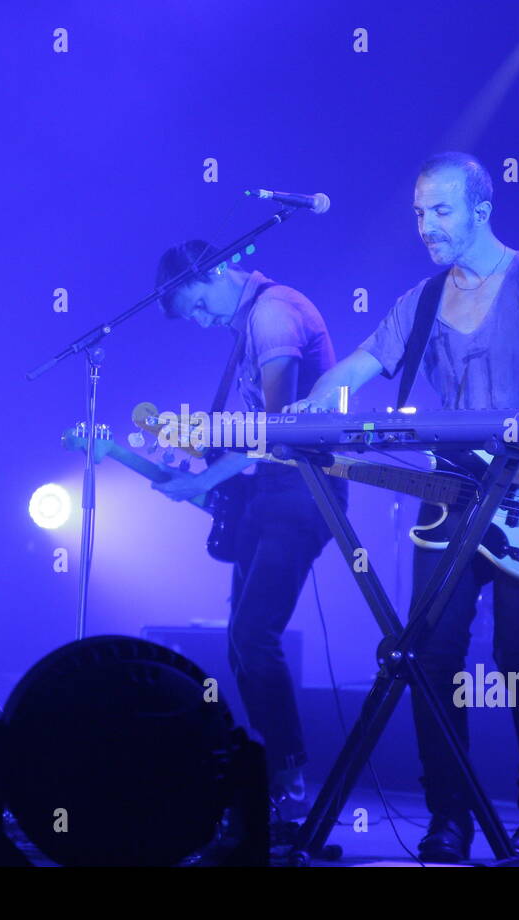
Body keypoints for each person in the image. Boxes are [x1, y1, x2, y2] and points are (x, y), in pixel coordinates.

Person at [286, 153, 519, 862]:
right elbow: (359, 368)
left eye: (440, 211)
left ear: (481, 210)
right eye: (418, 213)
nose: (426, 226)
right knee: (431, 656)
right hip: (449, 502)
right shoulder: (420, 301)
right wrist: (303, 411)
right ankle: (449, 818)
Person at [149, 240, 346, 821]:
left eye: (201, 306)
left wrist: (206, 475)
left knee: (255, 635)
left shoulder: (273, 313)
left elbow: (282, 430)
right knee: (241, 639)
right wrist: (193, 450)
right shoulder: (247, 328)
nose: (204, 321)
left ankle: (288, 783)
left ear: (217, 270)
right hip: (268, 492)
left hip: (303, 490)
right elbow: (250, 434)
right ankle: (273, 779)